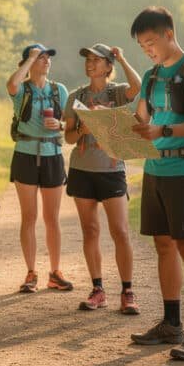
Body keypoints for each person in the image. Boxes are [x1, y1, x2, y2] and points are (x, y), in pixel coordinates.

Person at [128, 6, 184, 361]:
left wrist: (164, 130)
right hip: (155, 168)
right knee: (163, 246)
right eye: (142, 46)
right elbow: (141, 115)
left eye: (151, 42)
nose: (148, 49)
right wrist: (109, 124)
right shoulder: (151, 77)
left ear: (168, 34)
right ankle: (170, 324)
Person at [62, 42, 142, 314]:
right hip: (82, 170)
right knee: (90, 231)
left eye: (97, 60)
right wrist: (83, 129)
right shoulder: (76, 96)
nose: (90, 63)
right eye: (88, 59)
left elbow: (138, 87)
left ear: (108, 66)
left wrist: (123, 59)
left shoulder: (117, 92)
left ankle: (128, 291)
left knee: (120, 231)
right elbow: (69, 137)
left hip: (112, 170)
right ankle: (98, 290)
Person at [6, 43, 72, 293]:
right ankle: (31, 272)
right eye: (40, 57)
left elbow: (71, 122)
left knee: (52, 218)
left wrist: (61, 125)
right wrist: (30, 58)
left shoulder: (59, 90)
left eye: (47, 57)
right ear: (29, 63)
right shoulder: (21, 89)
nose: (46, 61)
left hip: (52, 154)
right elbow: (11, 85)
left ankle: (55, 272)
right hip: (24, 154)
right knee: (29, 216)